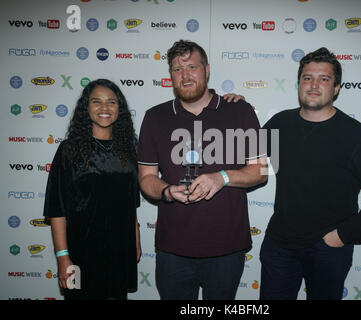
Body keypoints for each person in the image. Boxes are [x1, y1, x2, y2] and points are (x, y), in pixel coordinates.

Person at [260, 47, 361, 300]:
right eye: (307, 78)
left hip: (327, 250)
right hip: (279, 245)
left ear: (336, 88)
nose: (313, 85)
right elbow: (242, 155)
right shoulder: (280, 124)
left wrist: (342, 236)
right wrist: (231, 107)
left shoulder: (356, 135)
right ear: (299, 83)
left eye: (324, 79)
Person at [137, 40, 267, 300]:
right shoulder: (154, 117)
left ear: (207, 69)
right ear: (171, 75)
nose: (185, 75)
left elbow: (262, 171)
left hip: (227, 248)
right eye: (177, 69)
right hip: (173, 248)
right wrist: (167, 191)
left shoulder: (241, 110)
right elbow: (146, 178)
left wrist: (223, 177)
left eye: (192, 67)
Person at [43, 79, 141, 300]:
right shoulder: (69, 150)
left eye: (111, 102)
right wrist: (62, 257)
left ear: (120, 109)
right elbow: (57, 209)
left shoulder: (130, 150)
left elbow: (130, 202)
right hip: (80, 254)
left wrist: (135, 240)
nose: (104, 108)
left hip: (119, 253)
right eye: (96, 102)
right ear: (86, 108)